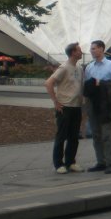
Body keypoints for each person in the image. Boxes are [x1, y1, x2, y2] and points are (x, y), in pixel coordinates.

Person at [44, 42, 84, 174]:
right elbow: (49, 83)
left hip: (76, 106)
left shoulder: (79, 67)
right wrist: (55, 101)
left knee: (74, 136)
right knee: (61, 136)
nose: (81, 52)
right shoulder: (64, 68)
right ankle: (58, 164)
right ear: (73, 53)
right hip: (64, 107)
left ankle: (70, 162)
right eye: (79, 50)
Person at [84, 40, 111, 174]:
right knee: (95, 134)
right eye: (91, 49)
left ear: (101, 49)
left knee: (106, 134)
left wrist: (102, 84)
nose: (91, 51)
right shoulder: (89, 67)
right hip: (92, 102)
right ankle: (101, 162)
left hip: (106, 103)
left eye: (94, 48)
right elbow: (86, 85)